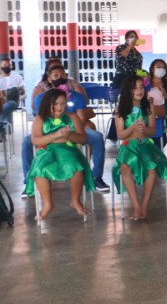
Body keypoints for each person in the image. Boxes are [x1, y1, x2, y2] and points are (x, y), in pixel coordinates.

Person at [22, 63, 110, 196]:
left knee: (97, 137)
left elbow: (81, 118)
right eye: (56, 75)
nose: (60, 78)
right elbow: (43, 120)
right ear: (49, 79)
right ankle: (29, 181)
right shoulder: (41, 98)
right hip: (48, 131)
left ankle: (96, 177)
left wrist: (70, 131)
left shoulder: (76, 96)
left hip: (72, 128)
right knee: (27, 142)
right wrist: (56, 135)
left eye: (63, 75)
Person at [25, 88, 93, 220]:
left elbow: (82, 138)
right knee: (40, 169)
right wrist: (55, 136)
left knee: (77, 167)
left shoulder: (72, 117)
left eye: (63, 104)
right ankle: (47, 204)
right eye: (56, 104)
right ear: (48, 104)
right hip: (47, 150)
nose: (60, 107)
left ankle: (75, 201)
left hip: (68, 150)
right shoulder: (40, 119)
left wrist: (69, 135)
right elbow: (36, 140)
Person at [113, 75, 167, 220]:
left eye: (141, 87)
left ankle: (145, 204)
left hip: (145, 144)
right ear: (128, 90)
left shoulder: (148, 106)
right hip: (128, 146)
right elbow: (120, 135)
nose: (139, 91)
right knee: (125, 168)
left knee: (152, 168)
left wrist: (144, 129)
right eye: (135, 88)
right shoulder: (121, 109)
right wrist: (133, 128)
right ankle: (136, 205)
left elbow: (152, 131)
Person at [0, 57, 25, 132]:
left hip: (13, 101)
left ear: (11, 66)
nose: (7, 67)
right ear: (0, 66)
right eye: (5, 65)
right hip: (1, 102)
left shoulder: (17, 77)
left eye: (9, 65)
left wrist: (19, 97)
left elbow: (24, 93)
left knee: (14, 90)